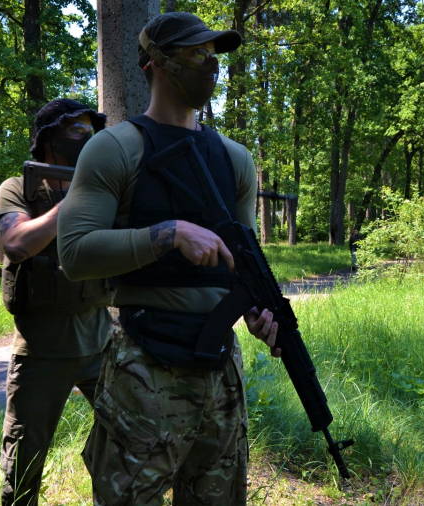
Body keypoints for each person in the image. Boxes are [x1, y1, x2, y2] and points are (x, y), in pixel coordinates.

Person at [57, 12, 280, 506]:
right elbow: (73, 253)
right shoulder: (114, 149)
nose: (211, 64)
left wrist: (258, 310)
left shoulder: (235, 159)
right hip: (144, 367)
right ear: (156, 63)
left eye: (214, 54)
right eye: (197, 53)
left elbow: (242, 261)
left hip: (220, 373)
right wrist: (168, 234)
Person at [0, 98, 112, 506]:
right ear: (49, 138)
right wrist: (73, 202)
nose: (87, 137)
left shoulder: (102, 189)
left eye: (90, 129)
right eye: (76, 130)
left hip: (101, 342)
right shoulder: (18, 188)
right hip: (42, 348)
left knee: (128, 436)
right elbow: (16, 243)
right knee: (24, 460)